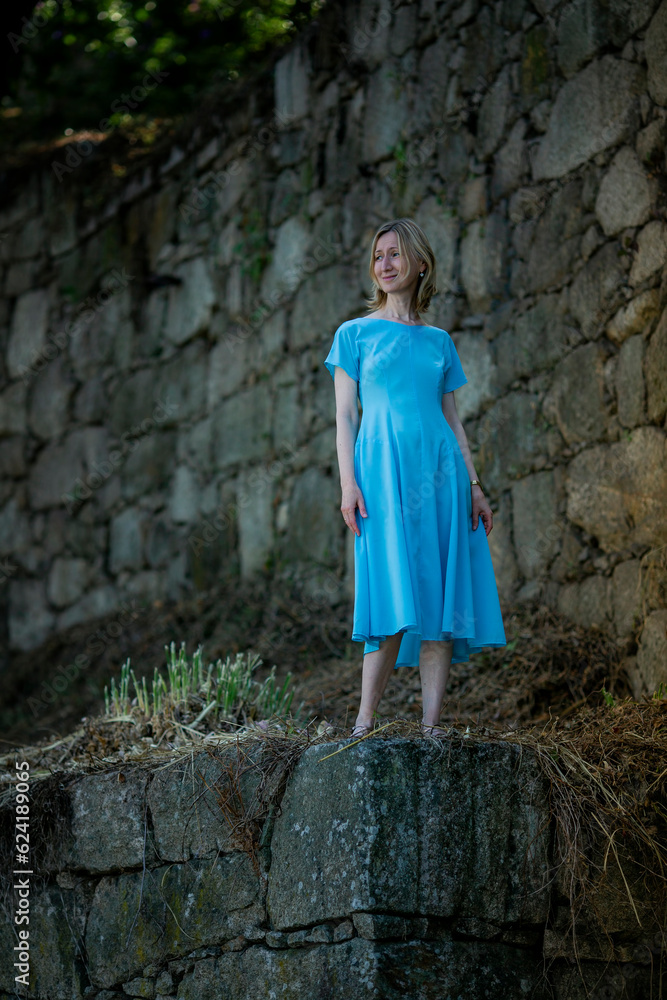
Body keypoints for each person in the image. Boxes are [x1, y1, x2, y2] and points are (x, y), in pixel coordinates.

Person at [324, 218, 507, 739]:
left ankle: (431, 726)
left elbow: (453, 420)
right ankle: (363, 724)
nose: (384, 264)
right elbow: (345, 417)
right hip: (382, 477)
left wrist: (474, 485)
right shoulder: (353, 334)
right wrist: (348, 483)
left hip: (442, 474)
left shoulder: (439, 341)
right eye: (378, 255)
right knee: (385, 592)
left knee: (438, 599)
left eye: (395, 254)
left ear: (420, 264)